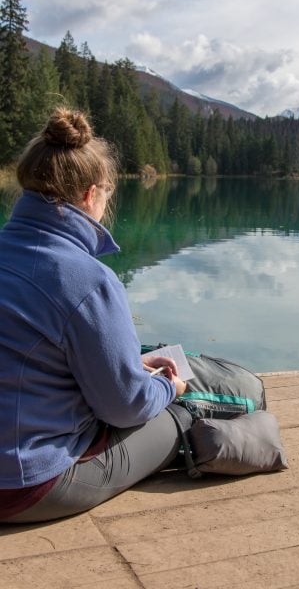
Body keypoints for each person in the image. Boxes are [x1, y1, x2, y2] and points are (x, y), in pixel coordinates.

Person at [0, 107, 191, 523]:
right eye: (107, 192)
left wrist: (131, 364)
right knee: (175, 420)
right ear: (90, 195)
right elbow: (124, 407)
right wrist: (168, 388)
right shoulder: (88, 280)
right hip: (20, 486)